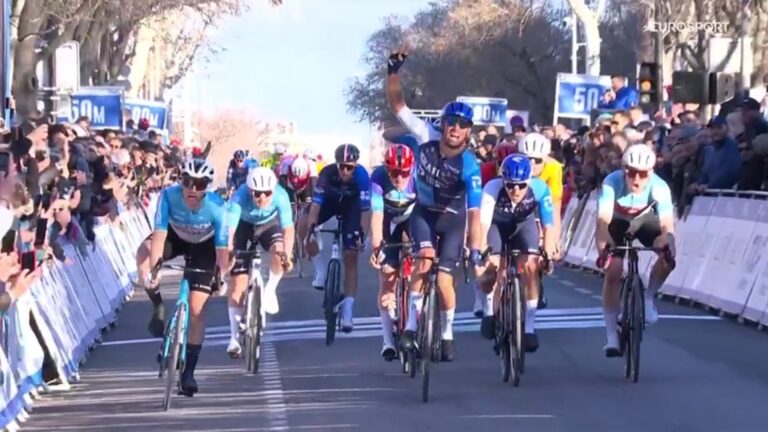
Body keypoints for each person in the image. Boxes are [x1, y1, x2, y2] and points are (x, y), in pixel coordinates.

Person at [386, 51, 484, 361]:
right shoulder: (426, 135)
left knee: (443, 281)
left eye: (462, 124)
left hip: (453, 219)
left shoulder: (470, 165)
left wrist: (477, 248)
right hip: (424, 213)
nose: (455, 127)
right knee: (423, 260)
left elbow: (475, 212)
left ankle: (447, 332)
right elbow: (398, 106)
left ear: (469, 131)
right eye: (451, 122)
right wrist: (392, 73)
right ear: (442, 124)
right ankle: (411, 327)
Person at [139, 158, 230, 396]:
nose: (192, 189)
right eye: (188, 182)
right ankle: (157, 304)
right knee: (145, 251)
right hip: (175, 238)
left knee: (197, 310)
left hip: (205, 247)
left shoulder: (217, 206)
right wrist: (154, 267)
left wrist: (221, 276)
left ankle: (188, 372)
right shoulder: (169, 196)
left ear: (207, 187)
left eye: (200, 184)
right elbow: (159, 233)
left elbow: (222, 249)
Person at [595, 144, 676, 356]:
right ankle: (612, 336)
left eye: (642, 174)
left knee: (669, 254)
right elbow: (603, 221)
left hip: (645, 220)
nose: (637, 179)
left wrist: (663, 241)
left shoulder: (659, 187)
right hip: (617, 221)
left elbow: (667, 225)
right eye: (631, 173)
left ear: (651, 172)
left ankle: (648, 298)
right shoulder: (611, 182)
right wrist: (605, 247)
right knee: (614, 269)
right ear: (624, 170)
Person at [476, 154, 556, 352]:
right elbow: (483, 224)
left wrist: (548, 250)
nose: (515, 190)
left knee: (531, 265)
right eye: (510, 185)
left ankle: (529, 327)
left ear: (529, 181)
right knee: (488, 269)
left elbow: (548, 225)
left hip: (523, 226)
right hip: (497, 226)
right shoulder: (491, 189)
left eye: (521, 185)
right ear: (503, 181)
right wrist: (482, 249)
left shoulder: (539, 189)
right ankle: (489, 309)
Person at [225, 167, 294, 357]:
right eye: (257, 194)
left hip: (268, 226)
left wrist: (287, 255)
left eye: (266, 193)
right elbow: (230, 230)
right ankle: (234, 338)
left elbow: (288, 229)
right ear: (249, 191)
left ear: (273, 190)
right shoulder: (239, 197)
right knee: (238, 284)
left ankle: (270, 290)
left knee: (279, 252)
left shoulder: (281, 196)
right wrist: (229, 251)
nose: (262, 198)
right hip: (243, 227)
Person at [302, 144, 370, 332]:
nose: (345, 171)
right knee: (303, 221)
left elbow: (365, 211)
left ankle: (348, 310)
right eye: (342, 166)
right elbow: (315, 206)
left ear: (355, 166)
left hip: (352, 209)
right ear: (336, 164)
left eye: (350, 167)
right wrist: (311, 229)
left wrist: (363, 235)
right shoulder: (326, 174)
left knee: (350, 255)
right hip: (330, 204)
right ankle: (320, 270)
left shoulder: (362, 176)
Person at [368, 143, 416, 361]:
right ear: (387, 170)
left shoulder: (418, 177)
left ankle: (417, 321)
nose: (399, 178)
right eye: (394, 173)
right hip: (388, 222)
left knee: (420, 262)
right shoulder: (378, 178)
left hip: (412, 220)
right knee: (387, 278)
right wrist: (377, 248)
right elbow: (377, 215)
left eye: (404, 173)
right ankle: (387, 340)